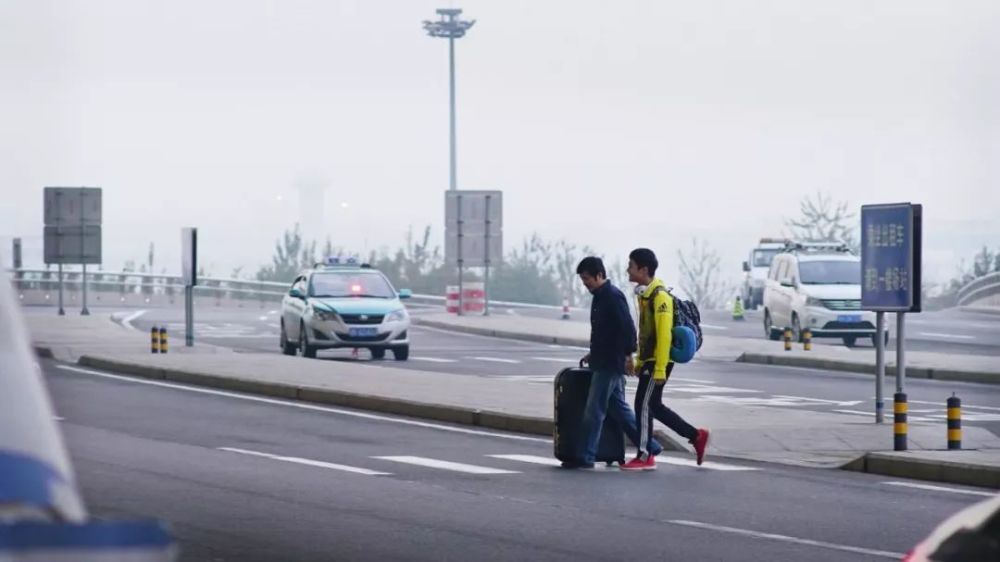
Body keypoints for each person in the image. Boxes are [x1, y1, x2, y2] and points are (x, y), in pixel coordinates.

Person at [620, 248, 710, 472]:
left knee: (642, 405)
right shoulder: (645, 296)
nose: (627, 270)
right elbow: (645, 334)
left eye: (631, 266)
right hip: (651, 360)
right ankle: (696, 436)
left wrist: (659, 368)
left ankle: (644, 455)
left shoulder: (660, 298)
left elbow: (663, 337)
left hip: (659, 361)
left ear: (643, 270)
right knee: (655, 406)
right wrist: (640, 361)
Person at [569, 256, 662, 469]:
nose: (585, 284)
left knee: (594, 410)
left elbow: (627, 328)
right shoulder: (599, 297)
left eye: (587, 279)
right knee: (620, 410)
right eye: (582, 280)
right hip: (602, 359)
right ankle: (651, 446)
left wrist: (629, 357)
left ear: (599, 275)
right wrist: (592, 354)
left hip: (610, 363)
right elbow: (605, 332)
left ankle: (586, 456)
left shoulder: (612, 296)